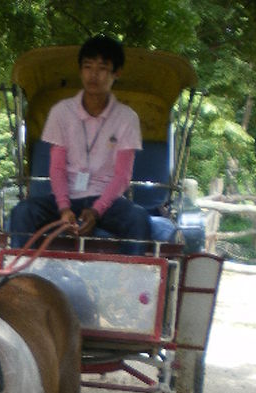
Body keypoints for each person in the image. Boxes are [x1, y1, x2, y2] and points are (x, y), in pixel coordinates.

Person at [9, 35, 150, 252]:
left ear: (116, 73)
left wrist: (96, 210)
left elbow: (122, 176)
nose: (94, 75)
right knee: (22, 212)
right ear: (80, 70)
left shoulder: (127, 117)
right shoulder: (61, 112)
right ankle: (21, 279)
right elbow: (56, 168)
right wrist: (64, 209)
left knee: (139, 219)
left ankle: (135, 285)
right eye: (87, 66)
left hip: (107, 200)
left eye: (103, 68)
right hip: (66, 197)